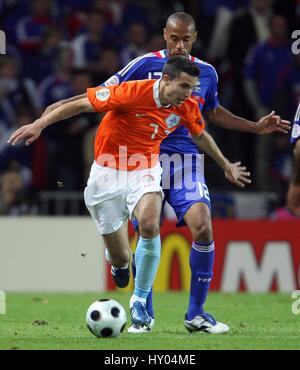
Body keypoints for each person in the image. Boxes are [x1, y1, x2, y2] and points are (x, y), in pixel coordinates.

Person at [38, 12, 290, 334]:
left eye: (186, 39)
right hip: (140, 158)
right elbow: (103, 93)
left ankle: (195, 315)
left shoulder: (205, 74)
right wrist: (50, 114)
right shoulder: (143, 65)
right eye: (174, 38)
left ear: (195, 38)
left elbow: (210, 113)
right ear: (165, 35)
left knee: (203, 227)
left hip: (184, 161)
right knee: (147, 225)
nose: (179, 45)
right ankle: (144, 313)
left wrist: (253, 127)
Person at [7, 56, 251, 331]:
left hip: (145, 168)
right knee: (121, 257)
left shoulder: (187, 105)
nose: (189, 93)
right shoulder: (131, 92)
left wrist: (225, 163)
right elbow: (81, 104)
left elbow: (199, 133)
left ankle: (139, 300)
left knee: (149, 222)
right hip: (107, 174)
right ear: (165, 80)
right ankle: (119, 264)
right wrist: (40, 124)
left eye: (192, 87)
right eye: (184, 86)